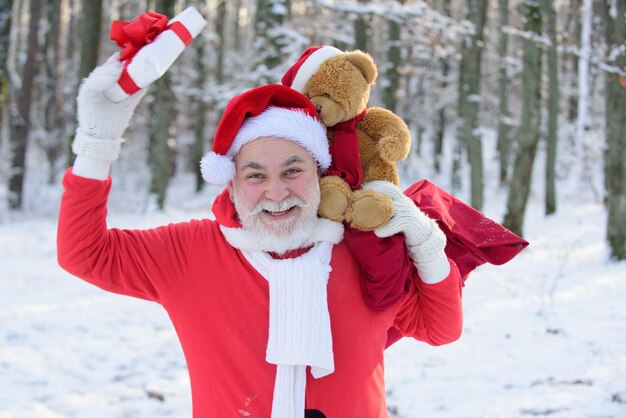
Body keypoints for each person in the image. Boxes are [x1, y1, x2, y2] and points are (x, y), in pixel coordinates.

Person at [57, 55, 463, 418]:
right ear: (230, 185)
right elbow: (84, 253)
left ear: (320, 174)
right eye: (255, 175)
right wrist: (97, 144)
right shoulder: (191, 252)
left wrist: (425, 242)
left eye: (293, 170)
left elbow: (440, 328)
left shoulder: (363, 249)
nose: (277, 191)